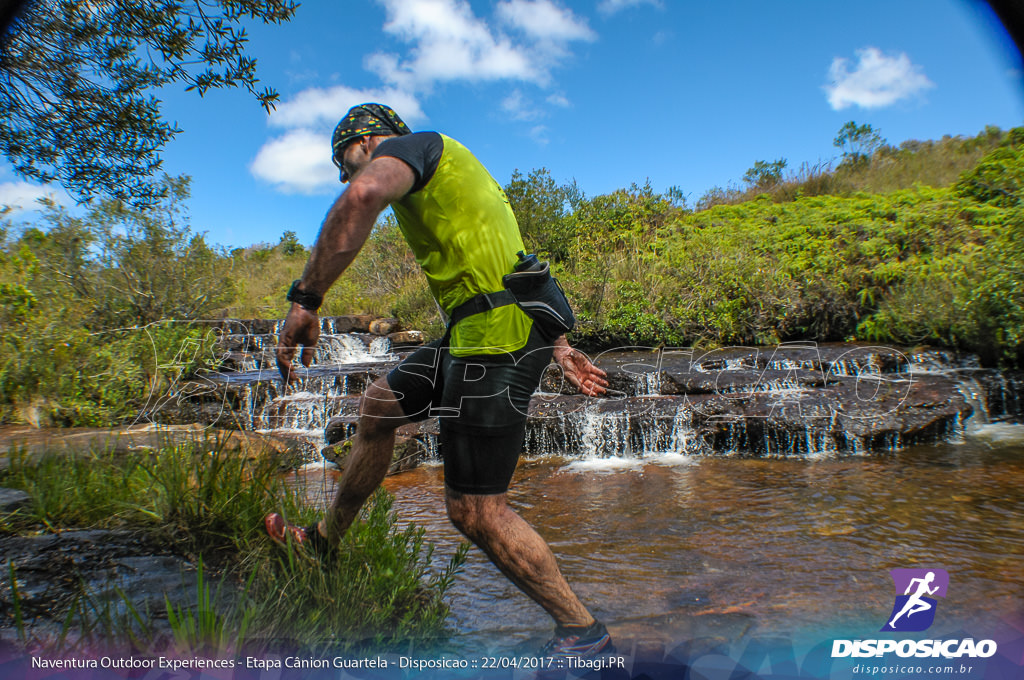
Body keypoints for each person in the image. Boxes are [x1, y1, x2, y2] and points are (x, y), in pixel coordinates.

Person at [267, 103, 612, 658]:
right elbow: (526, 267)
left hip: (495, 336)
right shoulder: (458, 177)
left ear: (370, 140)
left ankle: (583, 633)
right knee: (378, 408)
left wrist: (306, 301)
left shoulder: (417, 147)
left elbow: (361, 197)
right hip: (472, 329)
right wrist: (560, 343)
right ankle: (323, 546)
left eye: (344, 159)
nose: (345, 174)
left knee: (475, 511)